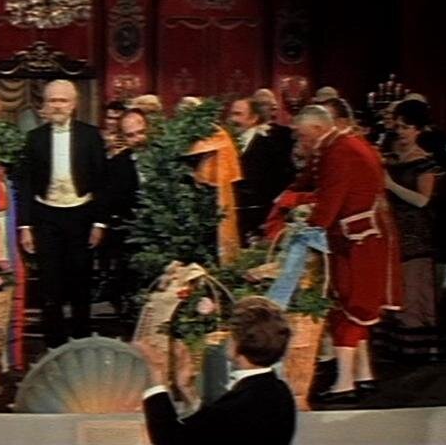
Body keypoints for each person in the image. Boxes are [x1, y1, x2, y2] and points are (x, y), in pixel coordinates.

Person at [291, 105, 401, 403]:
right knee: (356, 308)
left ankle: (344, 384)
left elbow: (331, 201)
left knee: (349, 307)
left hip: (357, 240)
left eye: (302, 135)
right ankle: (363, 375)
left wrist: (303, 228)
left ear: (317, 129)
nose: (301, 142)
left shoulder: (339, 150)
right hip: (362, 236)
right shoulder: (344, 144)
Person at [17, 79, 108, 347]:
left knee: (80, 280)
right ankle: (53, 344)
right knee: (50, 283)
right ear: (44, 104)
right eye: (52, 100)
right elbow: (26, 184)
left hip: (82, 215)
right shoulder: (34, 138)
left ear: (73, 104)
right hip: (46, 217)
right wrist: (25, 227)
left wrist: (99, 223)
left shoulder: (91, 136)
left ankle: (81, 340)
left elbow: (102, 182)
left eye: (63, 100)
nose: (57, 105)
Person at [135, 296, 296, 445]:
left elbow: (170, 440)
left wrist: (156, 375)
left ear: (238, 344)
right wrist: (187, 389)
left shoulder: (243, 402)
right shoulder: (278, 391)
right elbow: (216, 430)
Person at [383, 106, 440, 358]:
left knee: (413, 285)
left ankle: (417, 347)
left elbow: (422, 200)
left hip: (415, 231)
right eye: (398, 126)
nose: (401, 132)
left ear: (418, 130)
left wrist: (390, 185)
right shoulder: (390, 156)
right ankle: (391, 344)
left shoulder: (425, 162)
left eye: (406, 127)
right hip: (390, 227)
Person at [97, 108, 146, 315]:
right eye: (130, 135)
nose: (137, 139)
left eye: (141, 132)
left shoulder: (169, 158)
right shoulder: (117, 164)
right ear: (123, 138)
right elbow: (111, 201)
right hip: (131, 233)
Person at [229, 98, 295, 244]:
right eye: (232, 114)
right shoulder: (226, 142)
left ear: (253, 118)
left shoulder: (272, 143)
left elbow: (284, 178)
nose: (233, 119)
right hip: (234, 217)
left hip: (261, 219)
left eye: (238, 114)